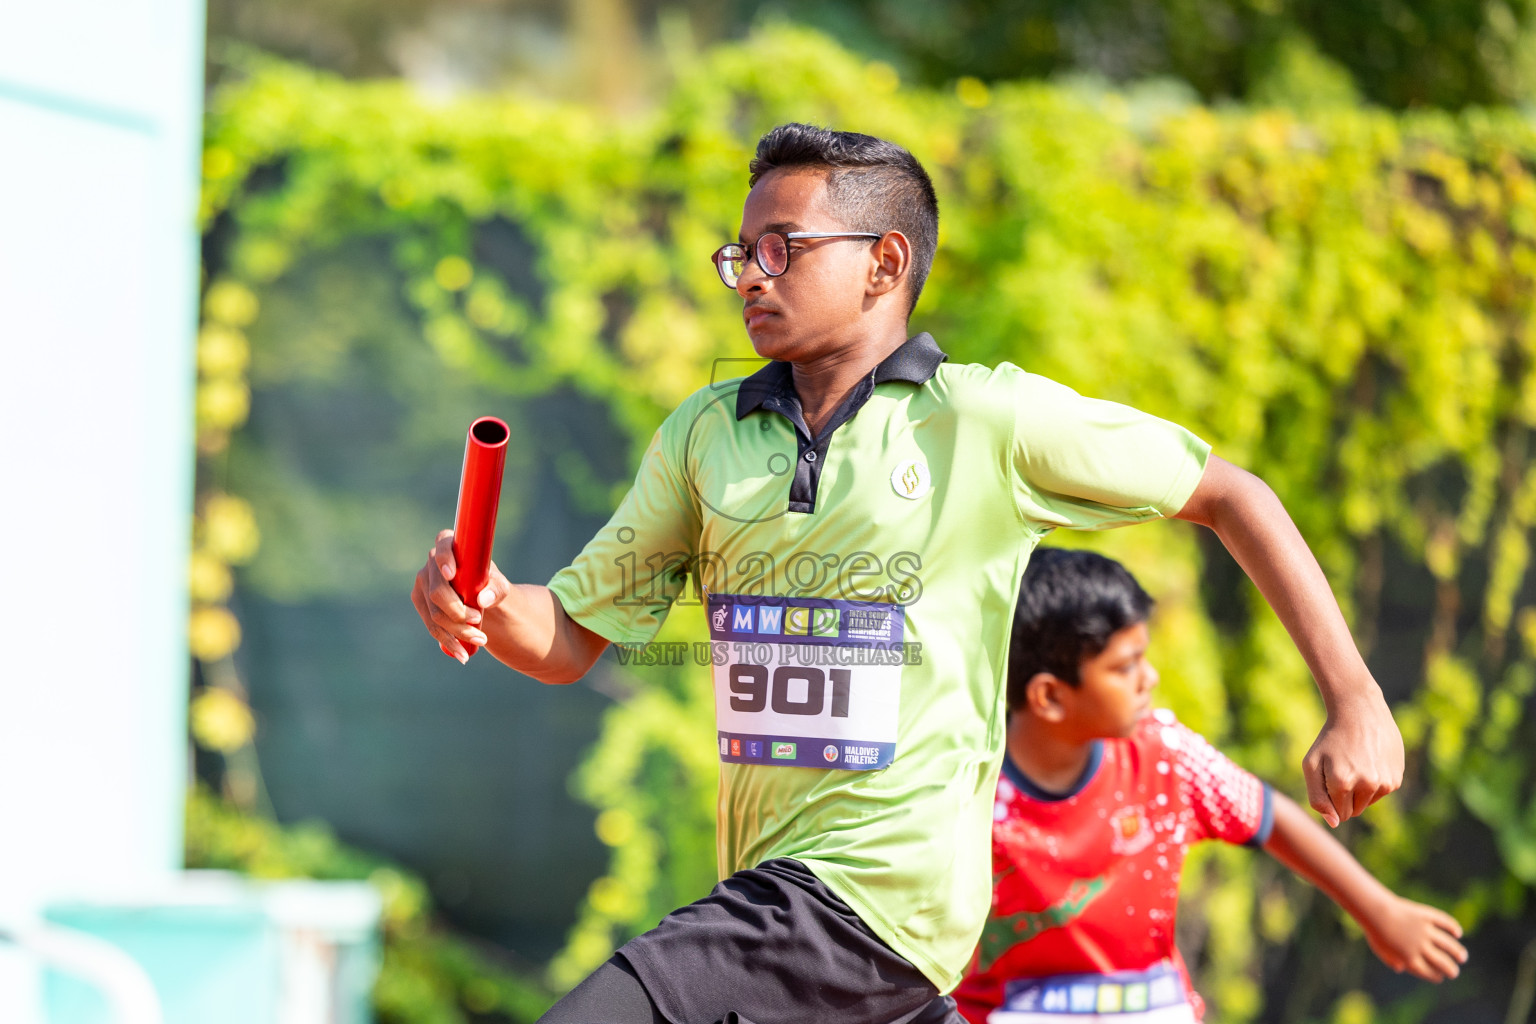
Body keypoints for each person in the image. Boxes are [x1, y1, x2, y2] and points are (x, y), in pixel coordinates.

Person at [410, 123, 1404, 1024]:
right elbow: (574, 635)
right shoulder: (704, 434)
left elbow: (1232, 493)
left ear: (885, 263)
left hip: (873, 893)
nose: (750, 277)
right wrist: (491, 603)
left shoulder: (984, 422)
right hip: (804, 908)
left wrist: (1354, 697)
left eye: (780, 250)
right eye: (739, 255)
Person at [939, 548, 1465, 1024]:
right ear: (1050, 696)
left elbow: (1267, 816)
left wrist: (1377, 909)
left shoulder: (1166, 758)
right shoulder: (961, 788)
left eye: (1144, 656)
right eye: (1125, 667)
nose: (1150, 678)